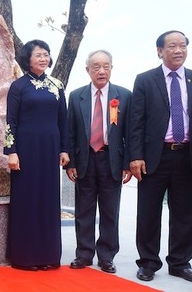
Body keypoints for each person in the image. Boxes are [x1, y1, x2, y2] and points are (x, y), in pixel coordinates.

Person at [129, 30, 192, 283]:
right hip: (154, 157)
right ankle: (148, 262)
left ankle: (179, 262)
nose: (179, 50)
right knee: (148, 213)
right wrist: (135, 156)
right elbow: (136, 121)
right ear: (159, 51)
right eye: (172, 46)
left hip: (186, 156)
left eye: (183, 46)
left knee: (185, 213)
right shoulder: (145, 80)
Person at [4, 39, 69, 270]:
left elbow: (64, 120)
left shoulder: (57, 85)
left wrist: (64, 148)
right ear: (28, 59)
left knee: (48, 200)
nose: (44, 58)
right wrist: (11, 151)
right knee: (28, 200)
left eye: (46, 54)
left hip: (50, 149)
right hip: (26, 150)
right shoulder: (19, 86)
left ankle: (48, 256)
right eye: (38, 55)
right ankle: (26, 257)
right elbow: (10, 120)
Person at [66, 50, 132, 274]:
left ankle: (106, 256)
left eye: (105, 66)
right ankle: (84, 254)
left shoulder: (123, 95)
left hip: (111, 160)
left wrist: (127, 163)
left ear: (112, 68)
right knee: (83, 209)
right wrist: (70, 163)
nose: (101, 71)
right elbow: (70, 132)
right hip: (84, 159)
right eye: (96, 67)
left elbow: (130, 133)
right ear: (88, 70)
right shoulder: (76, 96)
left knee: (110, 210)